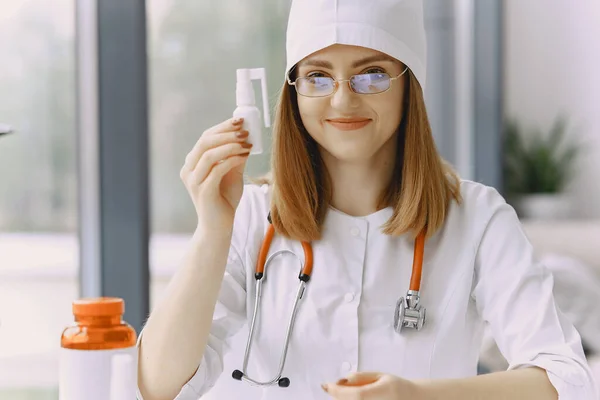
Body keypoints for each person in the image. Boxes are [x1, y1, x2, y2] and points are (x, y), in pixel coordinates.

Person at [137, 0, 598, 399]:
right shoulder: (249, 217)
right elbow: (159, 386)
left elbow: (566, 380)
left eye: (371, 74)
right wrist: (212, 230)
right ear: (292, 91)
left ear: (408, 84)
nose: (341, 101)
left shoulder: (477, 219)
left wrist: (418, 397)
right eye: (318, 76)